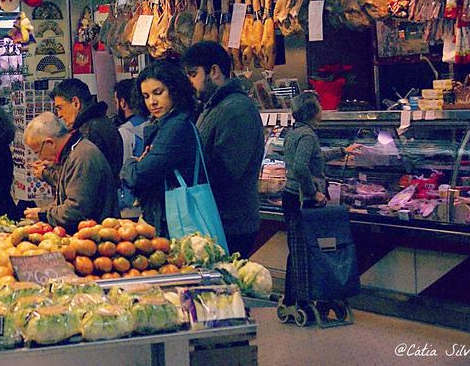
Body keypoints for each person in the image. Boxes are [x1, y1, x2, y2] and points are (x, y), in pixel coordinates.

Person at [182, 41, 265, 257]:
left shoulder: (236, 109)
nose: (190, 82)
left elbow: (227, 172)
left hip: (231, 223)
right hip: (217, 218)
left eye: (193, 74)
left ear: (215, 71)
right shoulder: (214, 106)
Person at [281, 91, 360, 306]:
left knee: (297, 250)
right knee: (307, 249)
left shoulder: (295, 132)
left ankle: (294, 299)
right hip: (302, 200)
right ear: (312, 112)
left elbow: (315, 158)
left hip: (291, 197)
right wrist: (313, 193)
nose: (322, 110)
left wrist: (343, 150)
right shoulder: (307, 135)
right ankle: (304, 300)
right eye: (319, 106)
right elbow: (299, 167)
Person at [120, 62, 199, 236]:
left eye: (158, 93)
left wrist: (131, 163)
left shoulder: (175, 127)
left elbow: (138, 176)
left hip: (172, 221)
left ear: (174, 90)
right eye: (146, 96)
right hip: (165, 216)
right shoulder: (165, 124)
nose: (152, 102)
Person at [23, 111, 119, 230]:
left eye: (38, 152)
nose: (40, 158)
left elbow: (76, 210)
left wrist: (43, 214)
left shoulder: (82, 156)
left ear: (50, 143)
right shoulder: (73, 153)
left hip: (96, 239)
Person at [50, 79, 123, 185]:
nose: (59, 114)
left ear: (76, 103)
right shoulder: (100, 122)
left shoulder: (90, 130)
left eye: (60, 108)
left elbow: (82, 180)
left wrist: (46, 173)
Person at [114, 79, 150, 211]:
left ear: (123, 103)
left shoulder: (124, 132)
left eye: (116, 102)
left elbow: (124, 170)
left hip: (131, 203)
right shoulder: (153, 125)